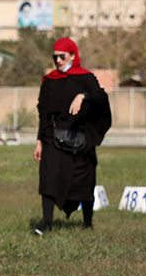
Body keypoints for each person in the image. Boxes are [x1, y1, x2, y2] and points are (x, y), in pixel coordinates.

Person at [33, 37, 110, 234]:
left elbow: (100, 97)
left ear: (73, 56)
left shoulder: (86, 78)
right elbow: (43, 112)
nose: (58, 60)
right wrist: (39, 141)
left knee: (84, 183)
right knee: (48, 180)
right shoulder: (49, 81)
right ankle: (47, 225)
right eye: (55, 57)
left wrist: (83, 95)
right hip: (53, 139)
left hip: (80, 139)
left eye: (62, 56)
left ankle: (87, 224)